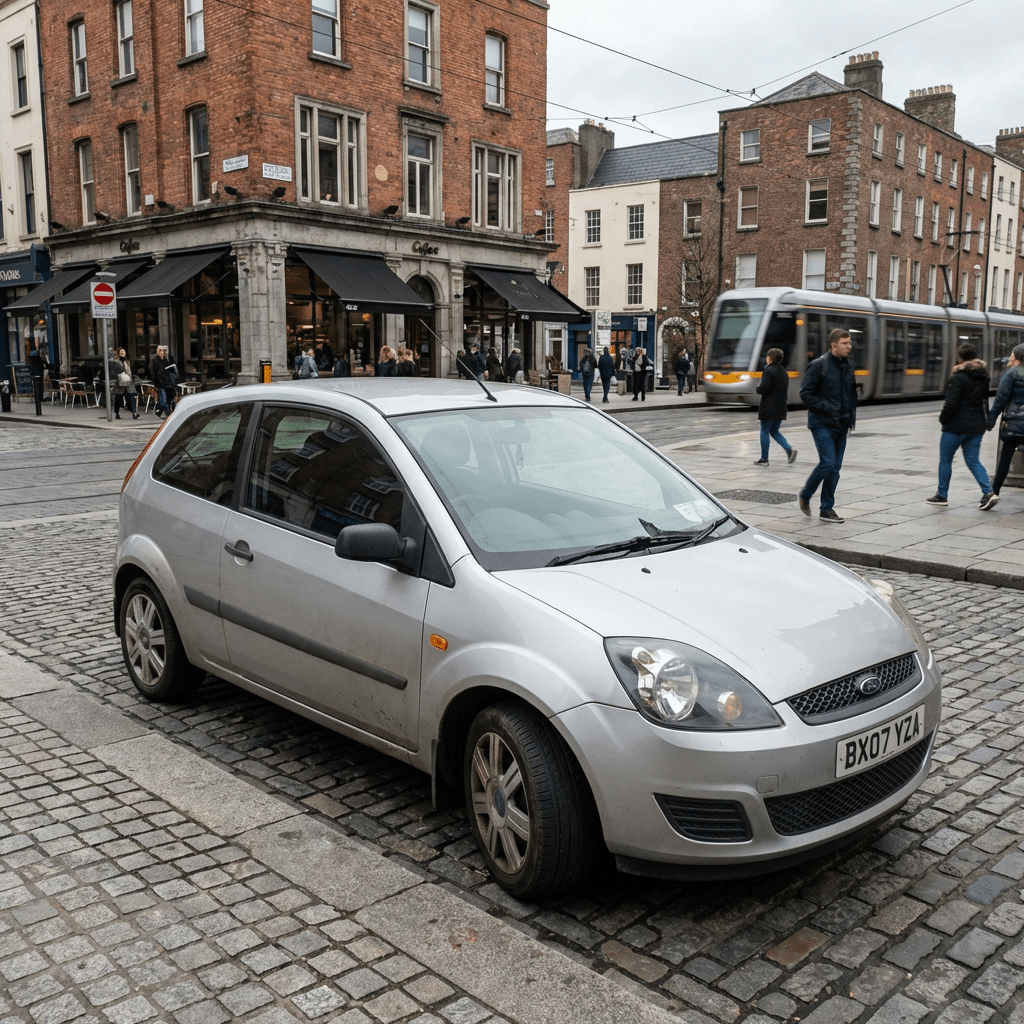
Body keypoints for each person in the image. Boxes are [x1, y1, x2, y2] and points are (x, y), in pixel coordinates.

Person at [925, 341, 997, 510]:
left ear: (959, 357)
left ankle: (942, 495)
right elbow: (984, 401)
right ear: (975, 356)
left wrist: (943, 419)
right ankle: (988, 492)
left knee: (946, 460)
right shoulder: (984, 377)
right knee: (973, 461)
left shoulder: (957, 378)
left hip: (955, 427)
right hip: (976, 426)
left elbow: (951, 403)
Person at [798, 328, 857, 522]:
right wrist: (825, 407)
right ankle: (806, 494)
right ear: (833, 345)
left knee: (835, 468)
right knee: (828, 463)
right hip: (822, 423)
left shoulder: (848, 366)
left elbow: (850, 395)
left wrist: (850, 418)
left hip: (841, 425)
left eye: (849, 343)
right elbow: (805, 393)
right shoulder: (819, 365)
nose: (849, 346)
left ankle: (826, 509)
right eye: (845, 343)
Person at [988, 343, 1024, 497]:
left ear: (1017, 357)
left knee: (1005, 459)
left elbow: (1000, 400)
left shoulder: (1011, 373)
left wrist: (990, 421)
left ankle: (993, 493)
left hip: (1014, 425)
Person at [754, 348, 796, 466]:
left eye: (767, 356)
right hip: (781, 406)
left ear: (770, 358)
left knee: (765, 431)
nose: (766, 358)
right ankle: (789, 449)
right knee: (774, 431)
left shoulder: (769, 371)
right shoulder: (783, 371)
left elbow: (764, 388)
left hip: (769, 406)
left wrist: (758, 389)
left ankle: (764, 459)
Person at [110, 347, 140, 419]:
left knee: (131, 397)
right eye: (121, 352)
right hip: (120, 383)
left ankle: (134, 413)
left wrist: (131, 377)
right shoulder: (115, 362)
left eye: (124, 352)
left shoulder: (127, 361)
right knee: (118, 399)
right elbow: (113, 372)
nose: (123, 353)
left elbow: (129, 372)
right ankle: (117, 412)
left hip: (128, 383)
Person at [150, 346, 177, 419]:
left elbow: (172, 368)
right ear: (157, 351)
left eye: (162, 351)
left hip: (169, 382)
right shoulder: (154, 360)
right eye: (159, 350)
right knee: (163, 400)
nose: (161, 352)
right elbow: (153, 372)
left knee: (168, 399)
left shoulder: (166, 359)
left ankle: (158, 412)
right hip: (160, 382)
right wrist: (156, 381)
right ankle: (168, 414)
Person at [28, 339, 51, 417]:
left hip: (34, 375)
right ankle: (40, 400)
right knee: (40, 387)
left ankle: (38, 402)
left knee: (36, 388)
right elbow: (45, 365)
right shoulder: (38, 359)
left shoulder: (31, 360)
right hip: (39, 375)